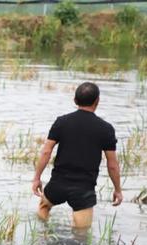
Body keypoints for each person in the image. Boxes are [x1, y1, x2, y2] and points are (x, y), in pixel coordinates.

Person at [32, 82, 123, 229]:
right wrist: (117, 190)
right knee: (81, 235)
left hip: (58, 184)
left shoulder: (62, 122)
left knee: (43, 208)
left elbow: (46, 152)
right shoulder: (106, 129)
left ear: (75, 100)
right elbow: (112, 165)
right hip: (84, 189)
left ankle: (43, 235)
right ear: (97, 101)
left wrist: (37, 178)